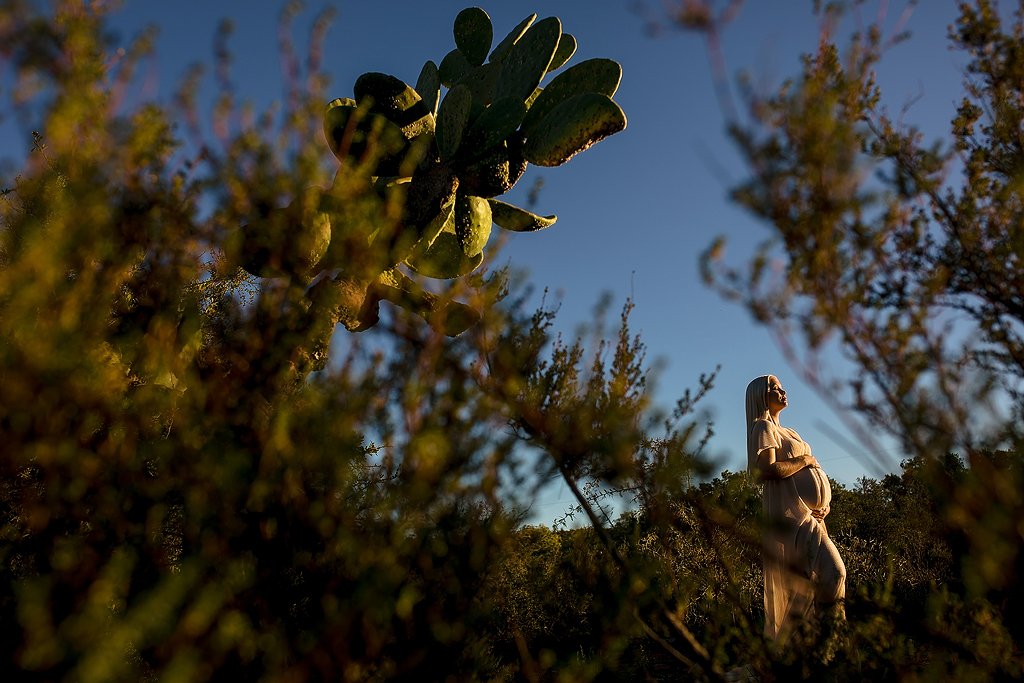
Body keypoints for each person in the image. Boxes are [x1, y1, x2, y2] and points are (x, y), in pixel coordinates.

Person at [745, 375, 846, 641]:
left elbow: (812, 473)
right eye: (774, 388)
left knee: (807, 587)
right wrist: (805, 459)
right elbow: (767, 471)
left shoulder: (791, 432)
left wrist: (824, 504)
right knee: (833, 573)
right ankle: (828, 640)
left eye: (781, 386)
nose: (782, 391)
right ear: (760, 396)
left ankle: (806, 649)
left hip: (812, 517)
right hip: (792, 519)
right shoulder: (763, 426)